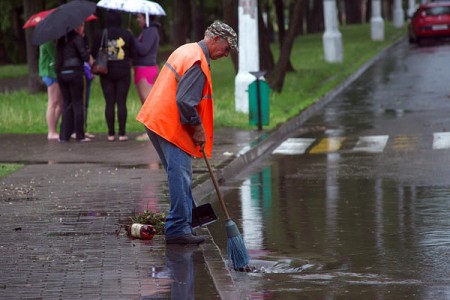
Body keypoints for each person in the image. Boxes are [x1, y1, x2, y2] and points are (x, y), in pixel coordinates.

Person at [136, 21, 238, 245]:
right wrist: (198, 129)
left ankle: (185, 219)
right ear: (215, 39)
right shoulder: (198, 61)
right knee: (181, 176)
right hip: (170, 124)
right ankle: (178, 229)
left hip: (157, 119)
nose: (226, 54)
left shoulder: (187, 50)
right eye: (227, 48)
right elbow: (185, 101)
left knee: (178, 174)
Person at [92, 10, 136, 142]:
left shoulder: (101, 34)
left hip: (106, 72)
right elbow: (134, 53)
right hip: (123, 71)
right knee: (122, 102)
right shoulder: (127, 34)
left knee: (109, 102)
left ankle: (111, 134)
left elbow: (94, 52)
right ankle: (122, 134)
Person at [55, 23, 91, 142]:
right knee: (78, 103)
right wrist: (86, 46)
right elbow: (85, 57)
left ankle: (64, 136)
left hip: (62, 73)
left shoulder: (61, 39)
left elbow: (58, 58)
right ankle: (79, 135)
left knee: (67, 104)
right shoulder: (77, 38)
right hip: (75, 72)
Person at [132, 13, 161, 141]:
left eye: (140, 17)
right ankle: (150, 131)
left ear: (147, 18)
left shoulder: (150, 31)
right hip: (141, 69)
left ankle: (153, 132)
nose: (137, 19)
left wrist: (131, 38)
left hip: (146, 70)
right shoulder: (146, 31)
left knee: (149, 103)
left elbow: (143, 49)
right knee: (145, 103)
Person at [38, 41, 63, 140]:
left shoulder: (50, 41)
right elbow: (54, 56)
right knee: (53, 102)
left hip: (53, 73)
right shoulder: (47, 42)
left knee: (60, 103)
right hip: (50, 73)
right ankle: (51, 131)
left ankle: (53, 129)